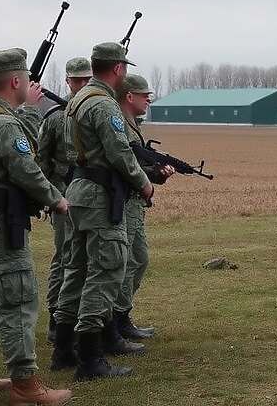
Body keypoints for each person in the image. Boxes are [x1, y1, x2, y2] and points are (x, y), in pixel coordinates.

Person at [0, 48, 71, 405]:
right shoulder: (5, 124)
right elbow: (26, 169)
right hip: (1, 222)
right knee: (19, 298)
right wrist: (56, 198)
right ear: (17, 81)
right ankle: (25, 385)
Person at [52, 43, 154, 381]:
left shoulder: (77, 101)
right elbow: (119, 152)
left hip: (78, 190)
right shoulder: (103, 104)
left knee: (76, 272)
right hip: (98, 196)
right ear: (119, 69)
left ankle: (64, 350)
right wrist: (143, 182)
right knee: (106, 270)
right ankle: (91, 359)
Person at [114, 75, 175, 339]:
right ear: (129, 97)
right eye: (144, 94)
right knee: (126, 262)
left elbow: (135, 164)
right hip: (126, 203)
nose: (149, 99)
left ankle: (121, 317)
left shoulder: (131, 126)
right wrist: (150, 174)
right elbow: (123, 165)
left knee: (138, 260)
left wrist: (156, 172)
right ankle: (114, 321)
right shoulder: (122, 127)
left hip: (135, 203)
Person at [37, 57, 91, 343]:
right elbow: (41, 161)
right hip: (62, 195)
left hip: (88, 197)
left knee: (85, 258)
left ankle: (79, 316)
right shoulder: (56, 117)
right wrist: (50, 197)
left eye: (86, 80)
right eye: (76, 80)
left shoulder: (93, 112)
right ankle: (57, 319)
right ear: (68, 82)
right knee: (64, 256)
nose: (81, 85)